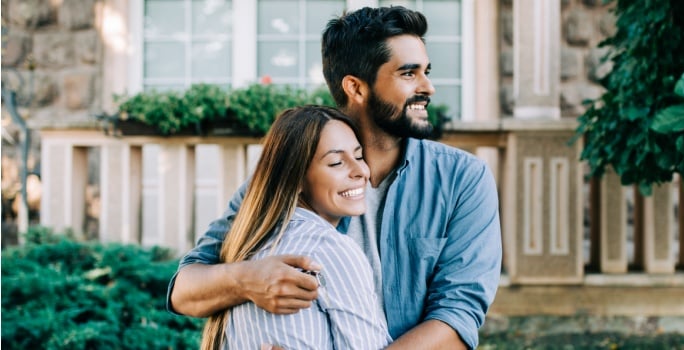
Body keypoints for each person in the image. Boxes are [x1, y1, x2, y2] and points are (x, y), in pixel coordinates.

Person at [169, 6, 502, 349]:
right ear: (356, 88)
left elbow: (457, 318)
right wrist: (245, 280)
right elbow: (184, 291)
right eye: (408, 73)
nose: (428, 87)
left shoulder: (462, 179)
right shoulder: (293, 174)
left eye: (426, 72)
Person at [201, 105, 391, 349]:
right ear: (296, 179)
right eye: (336, 163)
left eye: (359, 156)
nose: (361, 172)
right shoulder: (327, 248)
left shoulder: (250, 246)